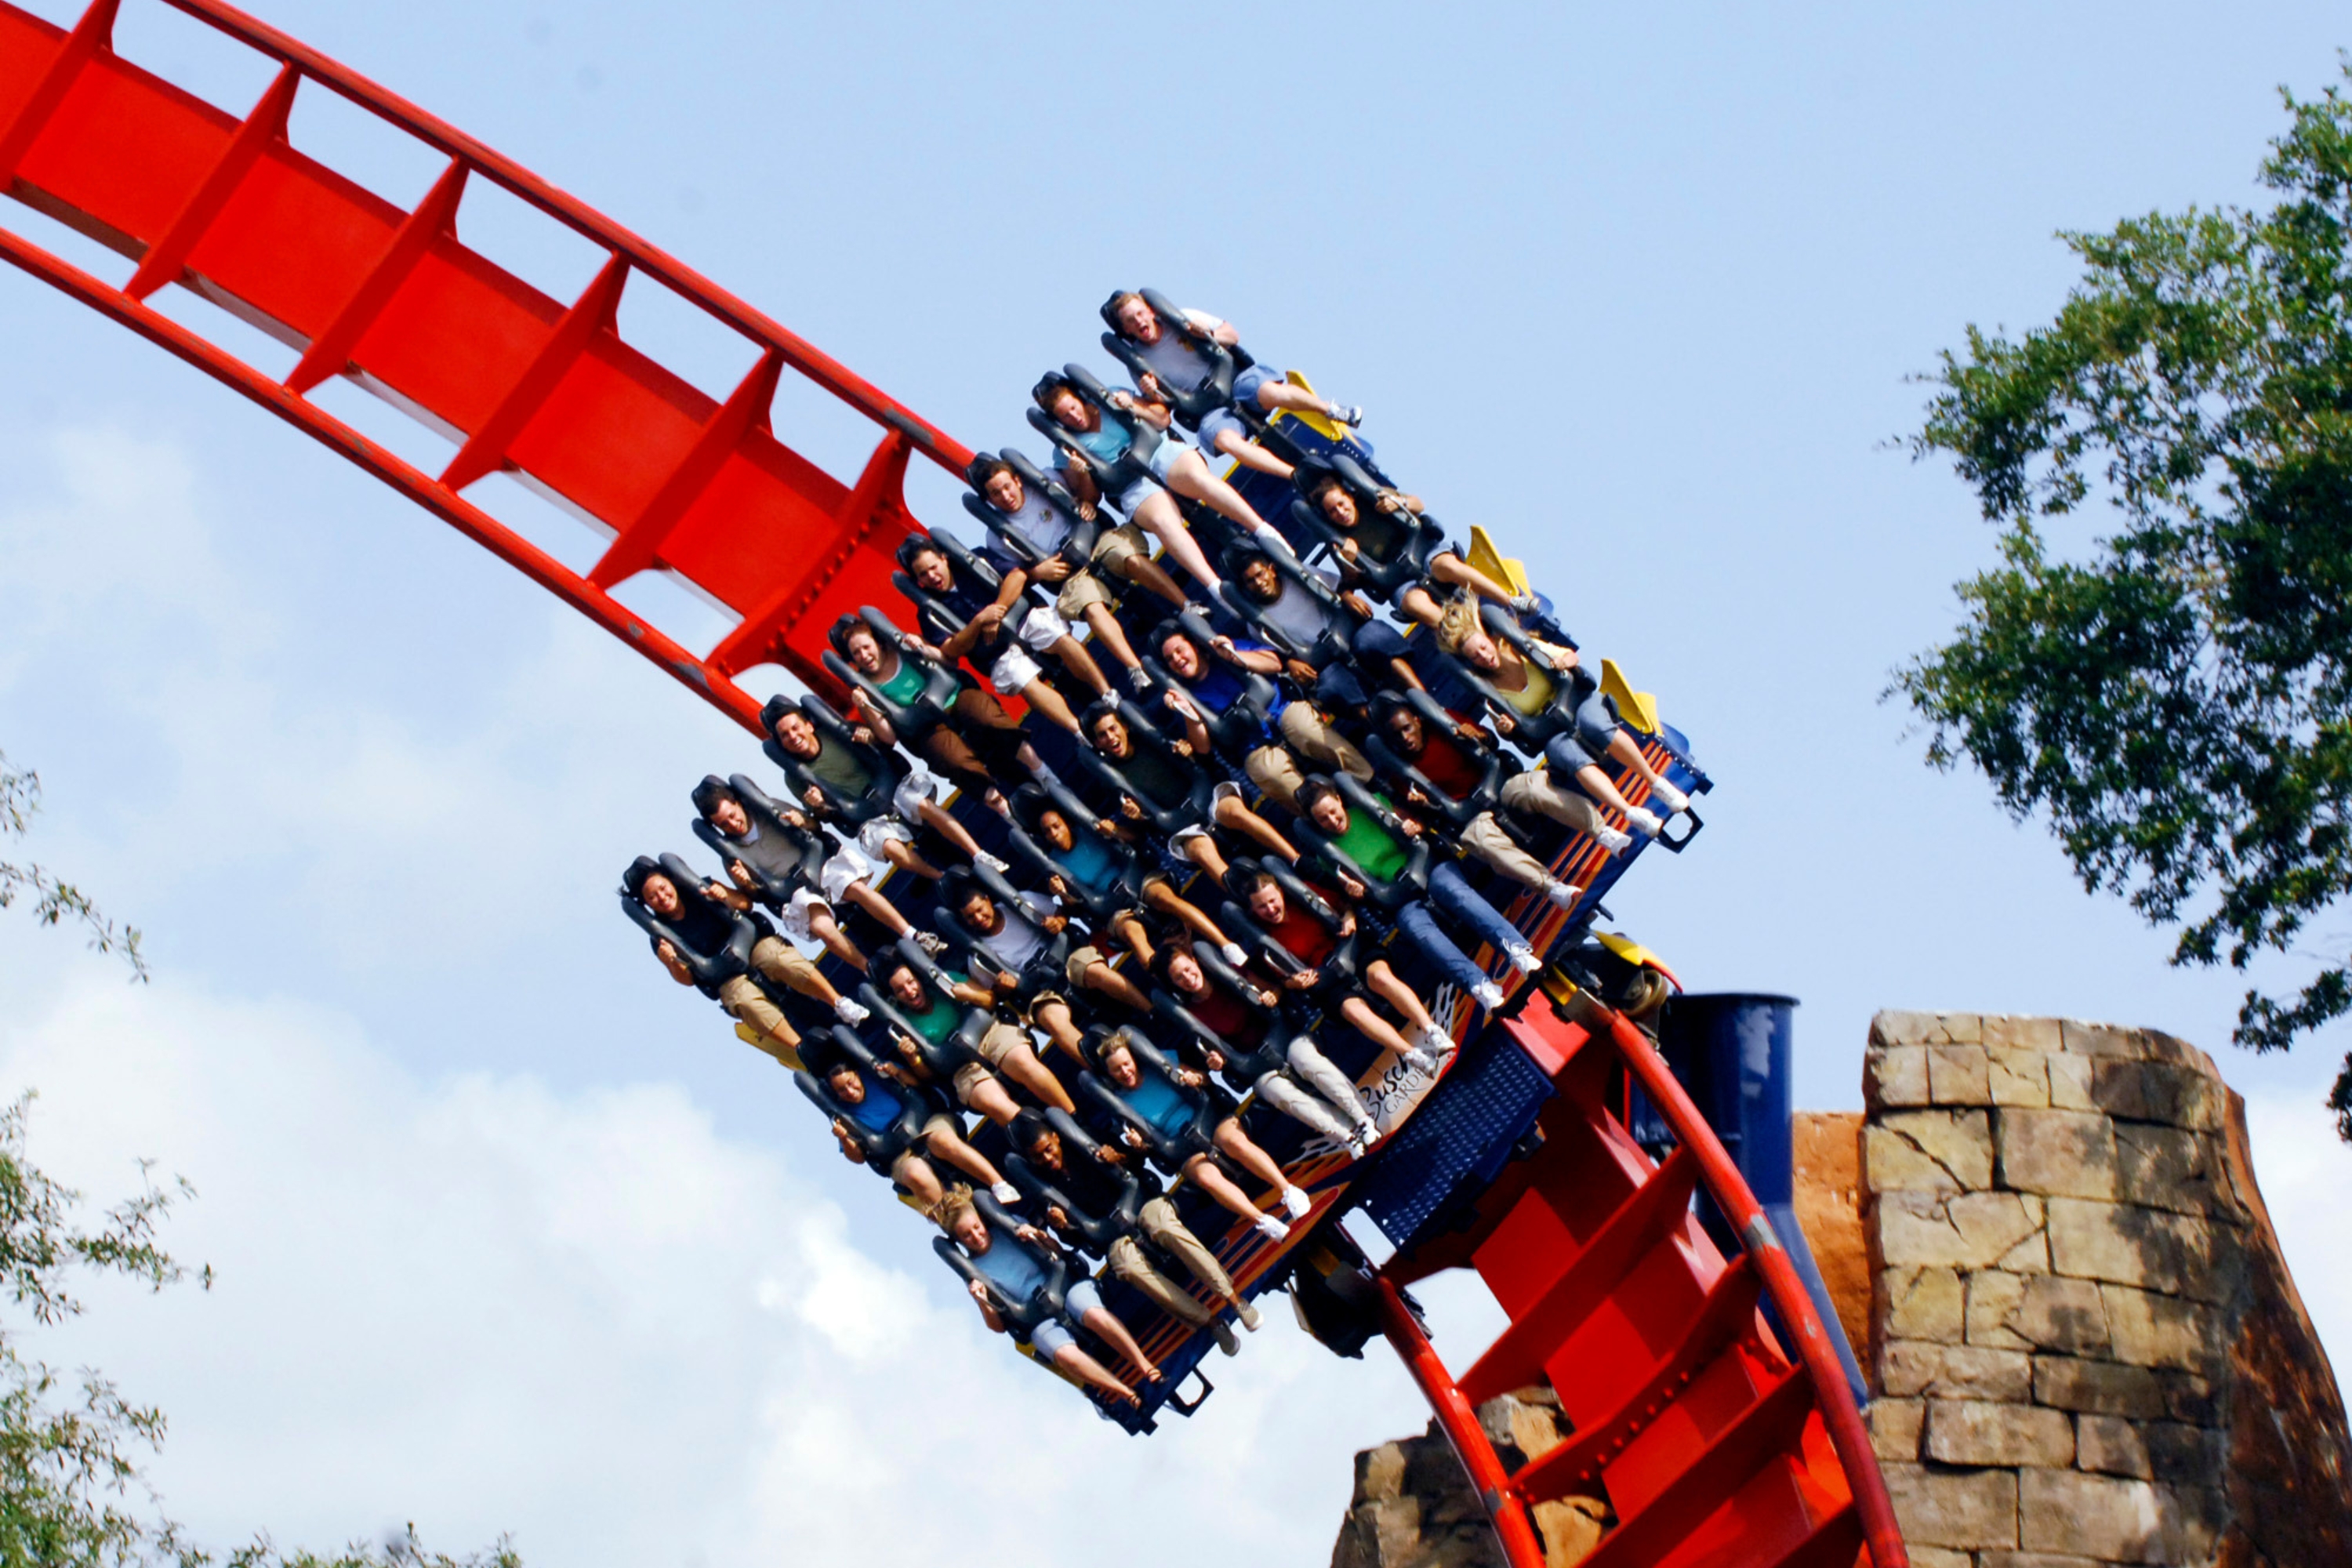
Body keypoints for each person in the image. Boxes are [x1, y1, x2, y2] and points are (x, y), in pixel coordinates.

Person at [1432, 595, 1689, 838]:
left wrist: (1565, 662)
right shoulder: (1489, 687)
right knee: (1568, 756)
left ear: (1490, 640)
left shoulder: (1518, 647)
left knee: (1595, 724)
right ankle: (1630, 812)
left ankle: (1655, 782)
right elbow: (1508, 728)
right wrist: (1507, 728)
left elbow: (1569, 655)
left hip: (1577, 703)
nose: (1485, 657)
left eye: (1484, 649)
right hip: (1551, 730)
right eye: (1476, 657)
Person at [1008, 1111, 1259, 1352]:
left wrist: (1116, 1157)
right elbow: (1072, 1238)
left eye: (1048, 1150)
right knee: (1129, 1268)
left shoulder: (1084, 1136)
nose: (1048, 1160)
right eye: (1039, 1158)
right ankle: (1210, 1322)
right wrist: (1062, 1224)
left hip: (1140, 1204)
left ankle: (1233, 1299)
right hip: (1110, 1234)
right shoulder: (1042, 1187)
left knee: (1165, 1226)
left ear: (1055, 1137)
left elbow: (1136, 1159)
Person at [1290, 775, 1541, 1015]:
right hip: (1396, 897)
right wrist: (1355, 894)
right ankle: (1481, 988)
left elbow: (1420, 823)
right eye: (1323, 820)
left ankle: (1518, 951)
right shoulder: (1327, 856)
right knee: (1420, 932)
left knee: (1457, 893)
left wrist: (1414, 826)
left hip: (1427, 869)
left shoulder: (1372, 803)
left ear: (1339, 799)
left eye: (1334, 812)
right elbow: (1350, 896)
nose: (1333, 821)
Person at [1033, 371, 1279, 594]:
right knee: (1164, 522)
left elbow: (1163, 420)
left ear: (1080, 399)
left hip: (1159, 453)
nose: (1074, 417)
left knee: (1197, 479)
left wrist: (1133, 407)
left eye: (1074, 408)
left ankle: (1263, 530)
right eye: (1065, 416)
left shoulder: (1109, 397)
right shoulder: (1065, 450)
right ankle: (1214, 585)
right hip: (1131, 486)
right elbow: (1092, 498)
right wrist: (1083, 471)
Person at [965, 454, 1185, 687]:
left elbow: (1086, 494)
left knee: (1126, 556)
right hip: (1068, 573)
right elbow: (1018, 575)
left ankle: (1185, 605)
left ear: (1017, 481)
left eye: (1007, 487)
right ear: (988, 499)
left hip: (1096, 541)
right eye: (996, 494)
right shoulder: (997, 537)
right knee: (1090, 607)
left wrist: (1086, 501)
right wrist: (1038, 572)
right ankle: (1136, 668)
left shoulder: (1046, 479)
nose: (1006, 497)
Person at [622, 858, 868, 1065]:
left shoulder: (700, 888)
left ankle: (840, 1003)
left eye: (663, 889)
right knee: (745, 1001)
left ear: (671, 881)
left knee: (779, 959)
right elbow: (686, 979)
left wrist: (723, 895)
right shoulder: (661, 936)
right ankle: (804, 1049)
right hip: (726, 976)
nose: (662, 898)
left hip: (752, 946)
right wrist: (671, 962)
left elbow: (745, 904)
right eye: (653, 897)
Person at [1077, 1027, 1312, 1243]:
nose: (1125, 1072)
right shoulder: (1121, 1103)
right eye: (1117, 1070)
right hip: (1179, 1145)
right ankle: (1263, 1221)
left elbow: (1204, 1078)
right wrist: (1138, 1144)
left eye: (1126, 1064)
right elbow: (1142, 1145)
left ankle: (1288, 1190)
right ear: (1109, 1074)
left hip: (1207, 1120)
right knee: (1207, 1178)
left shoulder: (1160, 1060)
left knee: (1234, 1142)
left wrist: (1194, 1079)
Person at [1152, 939, 1378, 1156]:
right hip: (1257, 1065)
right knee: (1278, 1093)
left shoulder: (1230, 975)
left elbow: (1276, 988)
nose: (1189, 979)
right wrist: (1217, 1061)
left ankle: (1363, 1117)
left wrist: (1272, 996)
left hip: (1285, 1039)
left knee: (1306, 1061)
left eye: (1188, 970)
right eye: (1179, 978)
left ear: (1195, 961)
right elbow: (1214, 1050)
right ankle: (1346, 1135)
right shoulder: (1192, 1015)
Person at [1363, 700, 1599, 905]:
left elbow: (1491, 741)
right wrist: (1423, 805)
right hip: (1468, 814)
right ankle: (1551, 887)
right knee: (1483, 841)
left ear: (1417, 721)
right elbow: (1427, 819)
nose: (1405, 738)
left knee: (1536, 787)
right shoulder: (1400, 774)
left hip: (1497, 786)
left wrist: (1478, 736)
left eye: (1407, 729)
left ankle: (1600, 830)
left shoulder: (1445, 724)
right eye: (1397, 735)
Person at [938, 1188, 1156, 1406]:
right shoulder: (975, 1270)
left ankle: (1145, 1366)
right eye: (967, 1235)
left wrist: (1037, 1235)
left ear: (981, 1220)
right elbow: (997, 1327)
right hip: (1038, 1316)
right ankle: (1126, 1392)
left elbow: (1058, 1253)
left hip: (1064, 1287)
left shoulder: (1008, 1225)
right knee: (1063, 1355)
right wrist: (981, 1301)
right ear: (959, 1239)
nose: (976, 1237)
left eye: (977, 1228)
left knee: (1092, 1314)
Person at [1221, 862, 1452, 1065]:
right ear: (1253, 911)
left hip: (1350, 951)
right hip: (1324, 979)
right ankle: (1412, 1055)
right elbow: (1281, 981)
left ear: (1281, 892)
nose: (1271, 910)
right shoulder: (1264, 940)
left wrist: (1349, 917)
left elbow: (1344, 905)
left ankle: (1432, 1031)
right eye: (1262, 907)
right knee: (1354, 1011)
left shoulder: (1304, 895)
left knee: (1380, 978)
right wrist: (1294, 983)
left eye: (1272, 901)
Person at [764, 698, 1009, 876]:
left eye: (795, 728)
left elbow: (882, 744)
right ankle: (941, 877)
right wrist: (818, 806)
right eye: (785, 735)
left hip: (892, 788)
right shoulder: (795, 778)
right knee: (889, 846)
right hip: (867, 816)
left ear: (808, 725)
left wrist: (868, 735)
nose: (793, 737)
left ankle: (978, 854)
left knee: (919, 804)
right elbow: (825, 817)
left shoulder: (836, 733)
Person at [1150, 616, 1371, 808]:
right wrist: (1188, 712)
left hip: (1282, 710)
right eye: (1170, 659)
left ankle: (1370, 785)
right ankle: (1324, 820)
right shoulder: (1184, 694)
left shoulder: (1225, 649)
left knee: (1308, 732)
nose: (1177, 660)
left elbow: (1275, 663)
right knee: (1271, 774)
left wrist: (1234, 656)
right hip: (1252, 745)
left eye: (1180, 651)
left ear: (1195, 646)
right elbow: (1203, 748)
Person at [890, 538, 1105, 731]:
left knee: (1058, 637)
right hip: (995, 653)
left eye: (933, 568)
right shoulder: (928, 611)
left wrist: (997, 613)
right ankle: (1078, 730)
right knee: (1024, 681)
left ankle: (1107, 695)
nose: (932, 577)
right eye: (923, 575)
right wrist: (979, 622)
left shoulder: (974, 559)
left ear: (943, 559)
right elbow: (950, 649)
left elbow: (1017, 576)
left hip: (1023, 619)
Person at [691, 775, 886, 973]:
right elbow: (755, 897)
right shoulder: (731, 857)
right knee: (822, 928)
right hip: (797, 895)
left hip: (821, 869)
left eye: (732, 816)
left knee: (856, 890)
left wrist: (802, 822)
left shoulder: (770, 809)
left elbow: (814, 827)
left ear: (737, 803)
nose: (733, 824)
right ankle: (869, 969)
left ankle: (909, 933)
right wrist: (746, 883)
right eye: (724, 824)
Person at [1076, 700, 1301, 870]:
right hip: (1179, 825)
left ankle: (1296, 859)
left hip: (1206, 796)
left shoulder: (1151, 737)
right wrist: (1137, 817)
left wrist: (1187, 749)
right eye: (1102, 736)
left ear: (1124, 726)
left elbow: (1197, 754)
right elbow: (1141, 831)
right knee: (1203, 853)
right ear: (1097, 744)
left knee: (1235, 813)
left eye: (1113, 729)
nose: (1110, 738)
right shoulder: (1111, 778)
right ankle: (1246, 897)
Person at [1299, 469, 1534, 628]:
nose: (1340, 512)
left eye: (1341, 504)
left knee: (1445, 566)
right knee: (1414, 604)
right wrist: (1349, 560)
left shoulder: (1373, 498)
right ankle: (1463, 634)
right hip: (1399, 581)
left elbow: (1418, 504)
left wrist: (1399, 503)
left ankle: (1510, 600)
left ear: (1349, 497)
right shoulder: (1337, 541)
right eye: (1333, 511)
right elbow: (1351, 580)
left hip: (1423, 553)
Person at [1102, 291, 1362, 432]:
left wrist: (1208, 335)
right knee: (1222, 438)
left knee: (1268, 391)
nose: (1138, 322)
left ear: (1149, 310)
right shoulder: (1138, 362)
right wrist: (1152, 393)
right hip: (1208, 406)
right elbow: (1163, 411)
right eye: (1129, 321)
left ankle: (1330, 409)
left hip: (1235, 378)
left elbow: (1232, 335)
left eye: (1139, 314)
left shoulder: (1184, 318)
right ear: (1125, 329)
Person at [826, 611, 1051, 771]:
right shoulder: (865, 690)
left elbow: (950, 664)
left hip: (954, 698)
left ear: (878, 642)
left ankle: (1040, 770)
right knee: (954, 758)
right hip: (927, 726)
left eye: (867, 647)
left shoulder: (902, 647)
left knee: (986, 716)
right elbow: (889, 737)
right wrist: (865, 705)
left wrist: (924, 650)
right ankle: (1002, 805)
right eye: (857, 653)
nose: (864, 656)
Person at [868, 953, 1076, 1119]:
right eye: (900, 990)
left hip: (990, 1035)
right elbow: (928, 1075)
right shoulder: (903, 1027)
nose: (910, 991)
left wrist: (969, 994)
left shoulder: (946, 979)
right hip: (962, 1068)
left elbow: (990, 1000)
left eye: (911, 982)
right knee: (993, 1101)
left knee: (1023, 1064)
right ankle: (1035, 1134)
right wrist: (913, 1058)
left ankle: (1073, 1118)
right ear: (894, 997)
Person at [815, 1054, 1020, 1206]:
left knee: (941, 1142)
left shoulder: (879, 1074)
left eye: (851, 1083)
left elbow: (918, 1084)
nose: (850, 1092)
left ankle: (998, 1184)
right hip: (899, 1154)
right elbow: (858, 1158)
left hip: (926, 1124)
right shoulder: (846, 1115)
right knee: (915, 1173)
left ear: (857, 1074)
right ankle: (954, 1215)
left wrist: (899, 1074)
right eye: (842, 1090)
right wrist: (844, 1139)